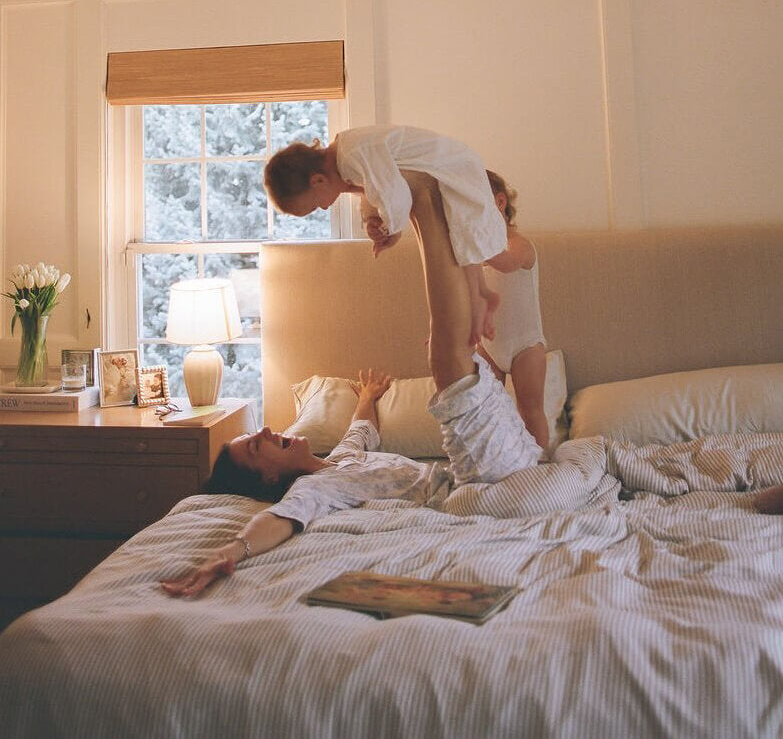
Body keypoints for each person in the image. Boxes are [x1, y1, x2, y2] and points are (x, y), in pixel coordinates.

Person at [161, 173, 541, 598]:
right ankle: (422, 211)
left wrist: (366, 397)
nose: (269, 430)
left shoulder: (340, 459)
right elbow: (279, 520)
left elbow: (363, 430)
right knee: (446, 354)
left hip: (479, 474)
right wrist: (234, 548)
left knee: (449, 353)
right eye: (257, 445)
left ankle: (423, 215)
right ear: (268, 477)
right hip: (471, 485)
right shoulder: (315, 488)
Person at [262, 125, 508, 346]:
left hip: (453, 165)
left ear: (317, 181)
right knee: (463, 237)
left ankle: (477, 299)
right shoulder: (344, 159)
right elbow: (372, 190)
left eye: (316, 205)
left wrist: (392, 228)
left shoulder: (353, 154)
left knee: (464, 235)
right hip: (450, 163)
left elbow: (396, 196)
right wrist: (373, 219)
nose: (325, 208)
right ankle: (483, 293)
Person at [477, 170, 549, 452]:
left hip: (526, 345)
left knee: (530, 411)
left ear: (499, 202)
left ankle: (541, 465)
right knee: (490, 411)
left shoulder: (518, 245)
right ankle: (499, 460)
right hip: (488, 345)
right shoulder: (480, 252)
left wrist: (468, 246)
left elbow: (505, 264)